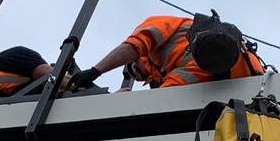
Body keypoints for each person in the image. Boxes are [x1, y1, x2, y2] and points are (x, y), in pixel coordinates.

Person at [70, 15, 264, 91]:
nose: (136, 75)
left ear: (138, 59)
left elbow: (134, 45)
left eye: (133, 68)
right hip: (241, 79)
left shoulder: (162, 28)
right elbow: (167, 94)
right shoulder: (165, 74)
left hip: (234, 64)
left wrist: (95, 71)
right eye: (135, 77)